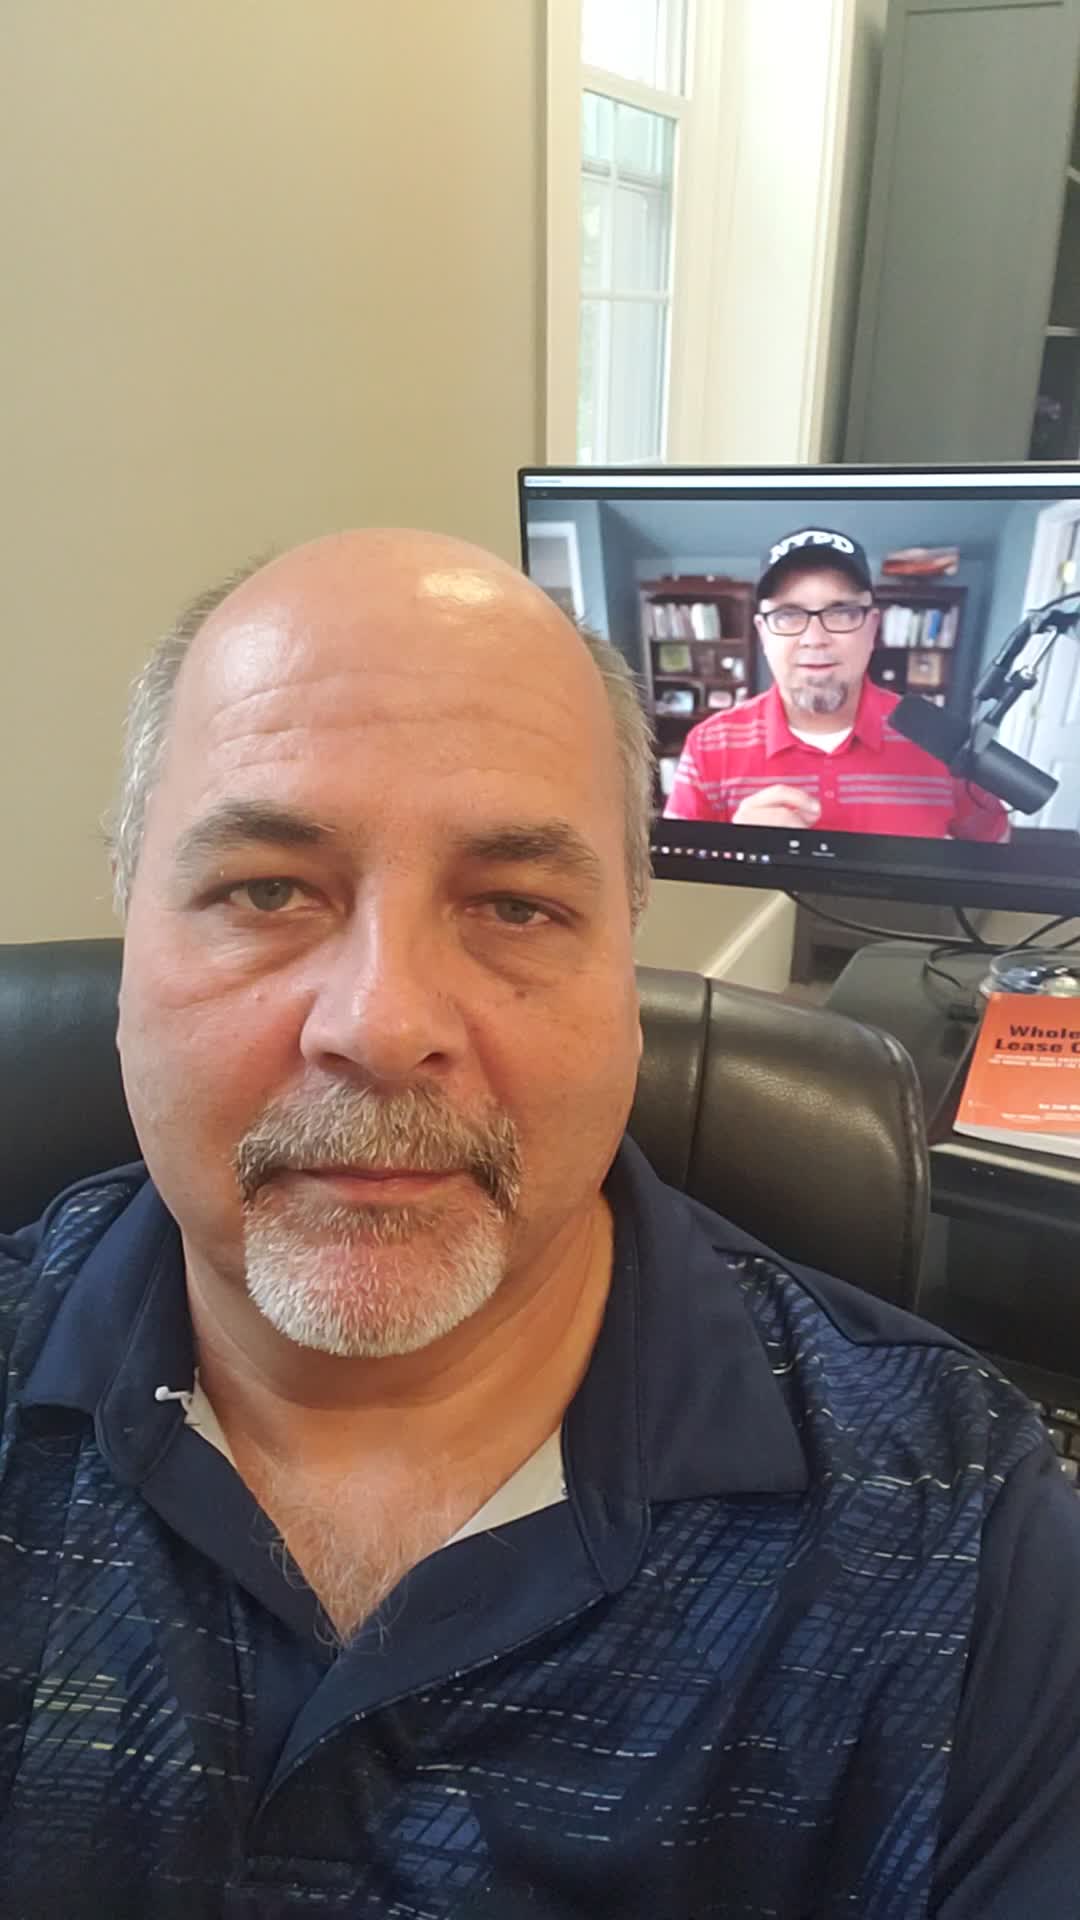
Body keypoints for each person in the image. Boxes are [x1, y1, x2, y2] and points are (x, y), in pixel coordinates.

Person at [1, 529, 1077, 1920]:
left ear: (628, 953)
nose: (381, 1025)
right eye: (266, 889)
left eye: (516, 904)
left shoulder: (962, 1538)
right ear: (129, 919)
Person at [664, 526, 1010, 839]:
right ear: (763, 633)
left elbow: (996, 847)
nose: (815, 639)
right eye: (787, 615)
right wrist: (734, 848)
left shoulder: (941, 739)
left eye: (842, 612)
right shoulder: (709, 744)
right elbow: (676, 875)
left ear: (872, 628)